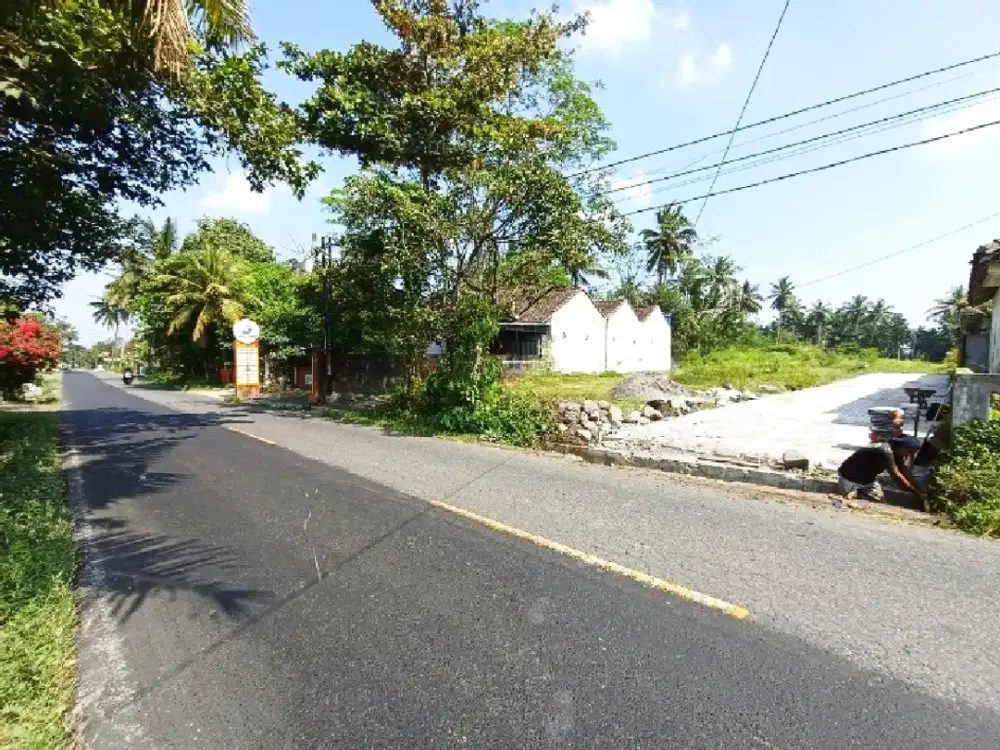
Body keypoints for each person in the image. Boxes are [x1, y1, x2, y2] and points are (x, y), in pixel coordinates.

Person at [835, 435, 925, 509]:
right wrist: (916, 493)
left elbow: (905, 473)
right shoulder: (885, 450)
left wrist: (921, 491)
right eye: (908, 452)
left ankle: (861, 497)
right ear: (901, 447)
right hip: (849, 478)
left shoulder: (896, 452)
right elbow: (897, 475)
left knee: (879, 504)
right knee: (844, 505)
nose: (908, 455)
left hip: (868, 480)